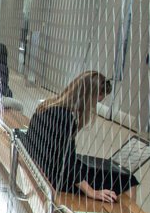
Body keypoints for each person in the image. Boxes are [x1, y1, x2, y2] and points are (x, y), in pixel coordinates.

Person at [22, 71, 138, 202]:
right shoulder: (65, 117)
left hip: (41, 166)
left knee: (104, 171)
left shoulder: (48, 104)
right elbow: (68, 164)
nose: (94, 106)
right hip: (55, 177)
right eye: (96, 101)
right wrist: (91, 192)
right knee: (128, 179)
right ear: (89, 97)